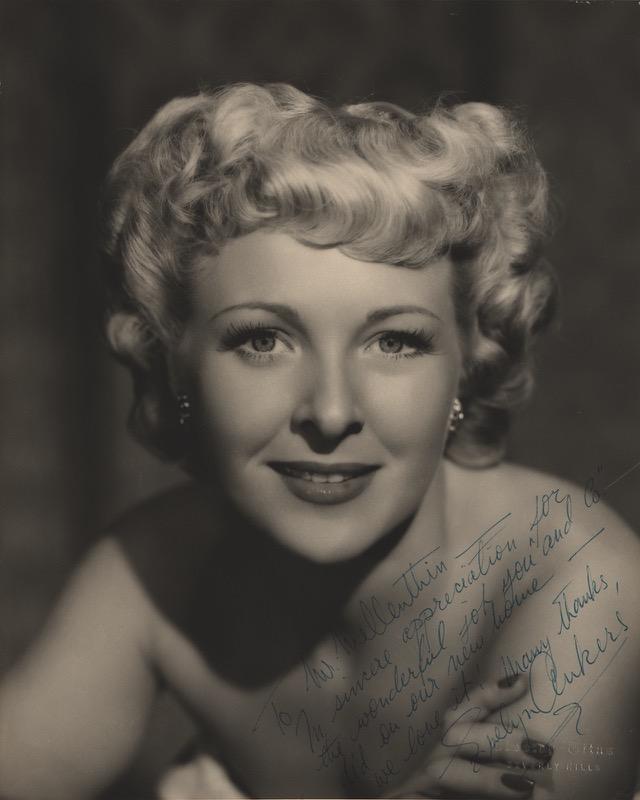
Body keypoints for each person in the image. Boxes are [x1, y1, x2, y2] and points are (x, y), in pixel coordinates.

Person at [0, 82, 638, 800]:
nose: (331, 413)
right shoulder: (155, 570)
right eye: (262, 340)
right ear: (174, 362)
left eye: (395, 342)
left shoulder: (580, 577)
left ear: (471, 360)